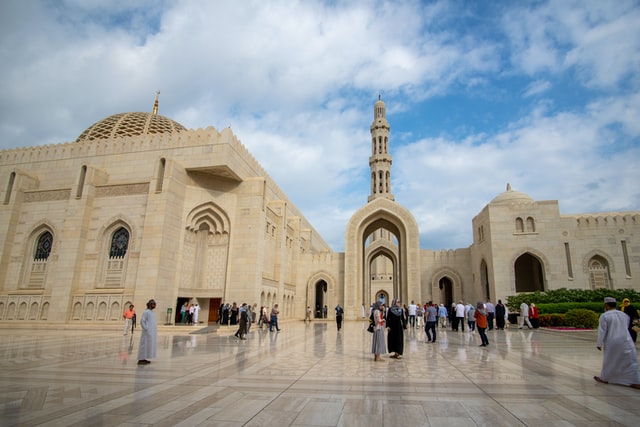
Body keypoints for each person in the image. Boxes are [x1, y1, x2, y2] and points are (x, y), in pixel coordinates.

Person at [594, 297, 640, 389]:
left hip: (612, 341)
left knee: (610, 361)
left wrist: (599, 343)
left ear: (606, 305)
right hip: (626, 341)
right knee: (630, 361)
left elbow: (602, 330)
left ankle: (605, 378)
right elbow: (626, 326)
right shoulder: (624, 315)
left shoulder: (605, 316)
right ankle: (635, 381)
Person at [137, 299, 157, 365]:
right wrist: (146, 329)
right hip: (146, 332)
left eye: (155, 304)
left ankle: (144, 358)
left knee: (148, 345)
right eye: (153, 304)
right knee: (144, 345)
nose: (154, 305)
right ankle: (140, 359)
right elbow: (142, 321)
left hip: (151, 332)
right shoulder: (146, 312)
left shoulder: (152, 312)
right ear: (149, 304)